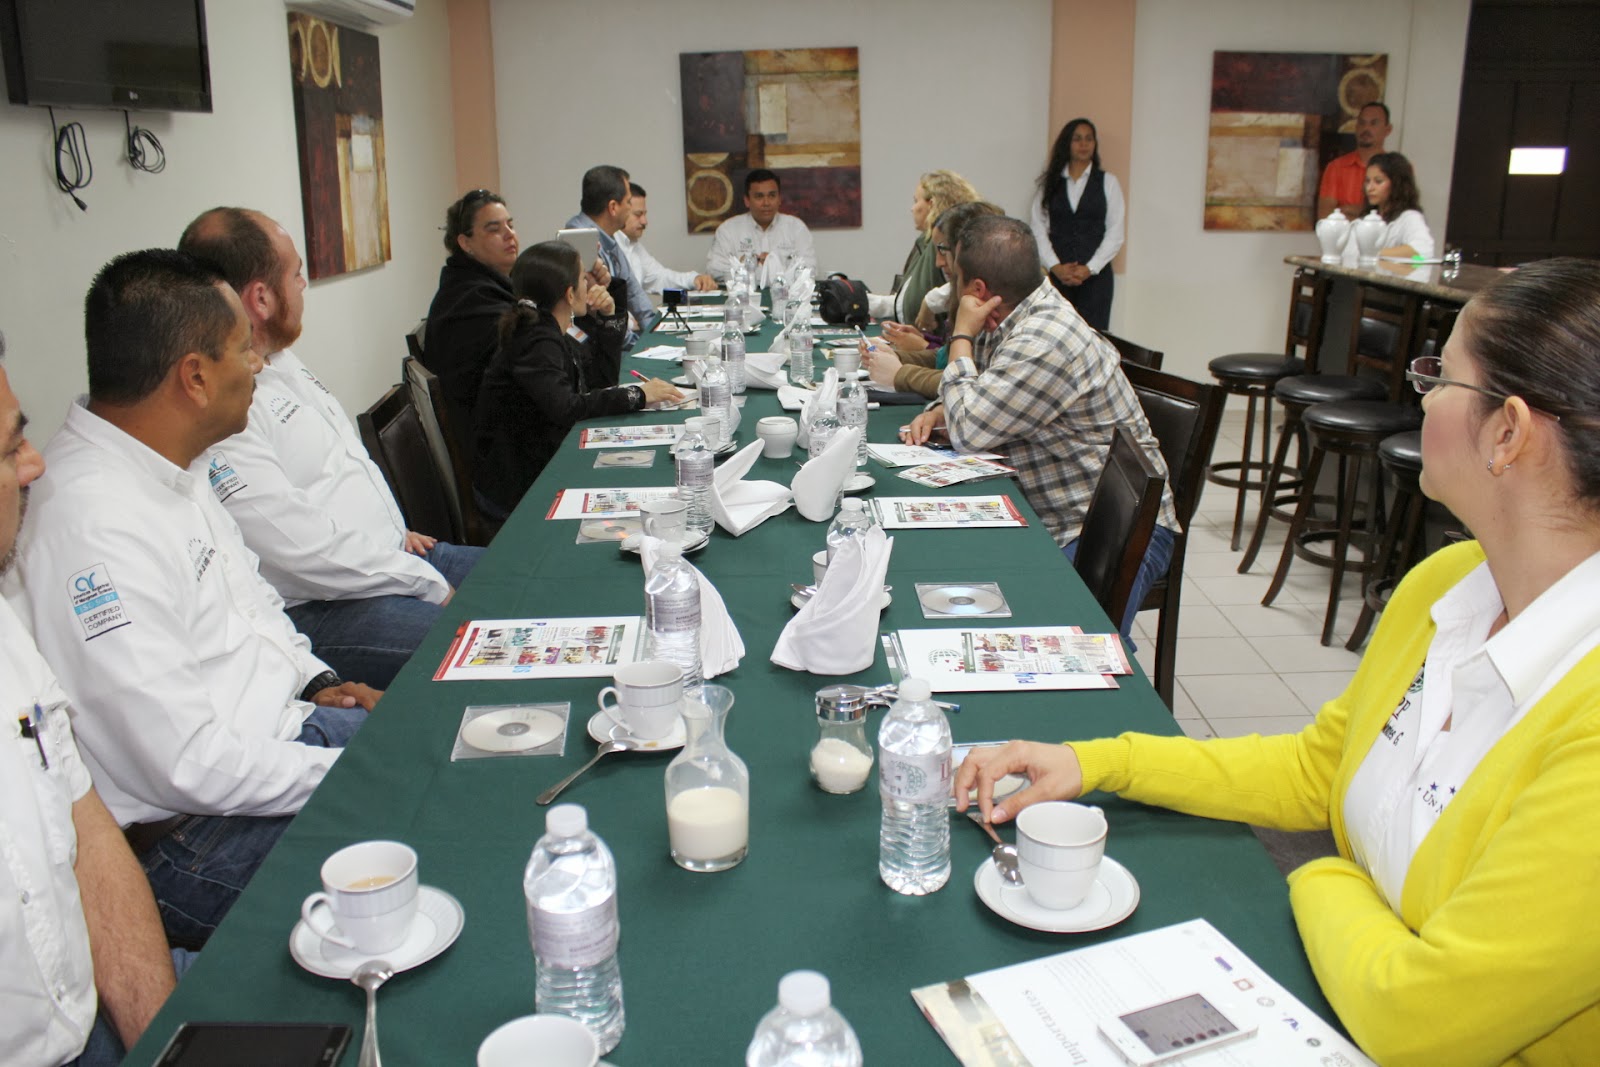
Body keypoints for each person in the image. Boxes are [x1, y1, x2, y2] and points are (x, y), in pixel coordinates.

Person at [956, 258, 1600, 1066]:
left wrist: (1321, 873)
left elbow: (1419, 1017)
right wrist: (1096, 762)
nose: (1422, 397)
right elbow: (1317, 769)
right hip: (1340, 995)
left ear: (1507, 432)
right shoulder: (1445, 585)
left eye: (1440, 379)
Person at [10, 250, 381, 949]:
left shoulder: (173, 461)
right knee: (440, 837)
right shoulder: (91, 523)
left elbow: (252, 601)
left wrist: (316, 683)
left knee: (463, 752)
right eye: (243, 348)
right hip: (200, 837)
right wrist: (358, 768)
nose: (259, 363)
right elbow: (186, 763)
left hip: (280, 749)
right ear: (196, 376)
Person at [179, 208, 483, 689]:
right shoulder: (229, 404)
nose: (303, 286)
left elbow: (341, 467)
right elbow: (300, 548)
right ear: (261, 297)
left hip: (391, 560)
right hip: (332, 604)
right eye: (296, 275)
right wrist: (420, 579)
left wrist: (390, 529)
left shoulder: (283, 359)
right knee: (486, 646)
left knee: (529, 578)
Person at [0, 339, 188, 1067]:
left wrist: (165, 1045)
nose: (34, 464)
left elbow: (88, 834)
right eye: (10, 449)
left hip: (96, 1014)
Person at [901, 216, 1176, 638]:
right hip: (1061, 511)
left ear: (977, 290)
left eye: (955, 277)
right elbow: (981, 390)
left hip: (1107, 529)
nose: (949, 283)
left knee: (1057, 637)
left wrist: (960, 336)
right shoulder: (1014, 311)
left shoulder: (1044, 339)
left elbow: (970, 431)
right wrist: (941, 409)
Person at [474, 242, 680, 520]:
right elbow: (567, 407)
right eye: (584, 278)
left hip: (537, 463)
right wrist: (638, 395)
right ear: (570, 294)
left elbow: (600, 381)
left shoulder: (549, 327)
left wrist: (609, 316)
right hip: (518, 487)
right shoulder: (536, 340)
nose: (589, 285)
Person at [864, 200, 1002, 400]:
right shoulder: (968, 293)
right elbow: (946, 356)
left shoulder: (995, 305)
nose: (938, 262)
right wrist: (893, 357)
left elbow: (971, 385)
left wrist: (900, 373)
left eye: (943, 250)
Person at [423, 189, 519, 468]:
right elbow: (531, 353)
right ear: (465, 243)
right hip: (496, 459)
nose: (510, 235)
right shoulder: (470, 300)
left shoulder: (481, 283)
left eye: (510, 225)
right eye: (494, 229)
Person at [1029, 118, 1124, 331]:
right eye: (1077, 139)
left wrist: (1089, 268)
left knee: (1094, 336)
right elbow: (1038, 228)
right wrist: (1055, 266)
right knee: (1055, 333)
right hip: (1057, 278)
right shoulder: (1050, 183)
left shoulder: (1108, 182)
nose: (1084, 144)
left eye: (1089, 139)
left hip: (1096, 280)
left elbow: (1115, 233)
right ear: (1067, 143)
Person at [867, 170, 979, 326]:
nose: (912, 208)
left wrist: (931, 301)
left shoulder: (949, 244)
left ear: (932, 204)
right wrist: (863, 301)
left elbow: (969, 282)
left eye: (916, 201)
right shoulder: (925, 243)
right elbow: (905, 302)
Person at [564, 164, 656, 345]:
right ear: (613, 207)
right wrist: (638, 343)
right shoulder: (579, 240)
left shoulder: (609, 237)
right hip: (598, 347)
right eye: (628, 202)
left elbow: (633, 291)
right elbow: (601, 312)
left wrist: (653, 331)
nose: (630, 208)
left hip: (616, 337)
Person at [706, 169, 817, 287]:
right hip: (743, 295)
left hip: (785, 295)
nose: (766, 203)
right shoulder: (728, 230)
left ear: (779, 199)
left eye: (772, 195)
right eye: (759, 196)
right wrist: (742, 267)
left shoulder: (796, 228)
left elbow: (810, 271)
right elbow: (714, 270)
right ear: (747, 200)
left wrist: (775, 266)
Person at [615, 182, 716, 293]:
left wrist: (694, 279)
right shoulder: (607, 247)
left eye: (644, 214)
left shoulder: (633, 245)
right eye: (638, 214)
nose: (644, 221)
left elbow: (660, 277)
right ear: (619, 211)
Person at [1318, 101, 1393, 219]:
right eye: (1362, 123)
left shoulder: (1397, 169)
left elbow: (1394, 217)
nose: (1366, 128)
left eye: (1374, 123)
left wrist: (1347, 210)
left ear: (1388, 130)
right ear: (1356, 127)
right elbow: (1325, 217)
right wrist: (1372, 214)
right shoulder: (1336, 167)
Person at [1357, 151, 1435, 261]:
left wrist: (1373, 254)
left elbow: (1423, 250)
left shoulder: (1410, 217)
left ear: (1396, 183)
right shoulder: (1366, 218)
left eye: (1378, 181)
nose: (1370, 188)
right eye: (1367, 181)